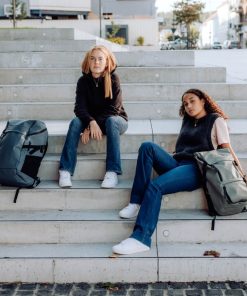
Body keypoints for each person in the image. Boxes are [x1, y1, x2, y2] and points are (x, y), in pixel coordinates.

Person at [112, 88, 246, 255]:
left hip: (196, 169)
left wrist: (241, 174)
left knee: (155, 187)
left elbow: (227, 150)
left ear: (203, 101)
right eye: (185, 103)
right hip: (177, 164)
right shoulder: (188, 121)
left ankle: (141, 239)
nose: (188, 106)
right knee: (147, 147)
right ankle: (136, 203)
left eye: (192, 101)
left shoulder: (215, 120)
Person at [59, 45, 128, 188]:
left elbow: (113, 109)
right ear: (88, 62)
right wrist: (90, 122)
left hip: (115, 120)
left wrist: (91, 126)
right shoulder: (83, 81)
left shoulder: (113, 79)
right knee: (75, 123)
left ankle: (112, 172)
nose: (96, 62)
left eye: (100, 59)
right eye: (93, 59)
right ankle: (65, 170)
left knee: (111, 122)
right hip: (93, 121)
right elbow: (79, 108)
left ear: (107, 62)